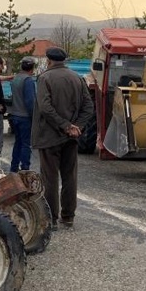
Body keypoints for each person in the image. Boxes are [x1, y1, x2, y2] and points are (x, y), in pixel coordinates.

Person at [31, 47, 94, 229]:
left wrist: (65, 126)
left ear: (49, 60)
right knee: (69, 176)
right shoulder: (77, 78)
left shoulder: (45, 78)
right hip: (71, 137)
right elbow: (88, 107)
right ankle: (68, 217)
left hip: (49, 136)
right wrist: (76, 127)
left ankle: (51, 218)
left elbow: (45, 108)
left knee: (49, 178)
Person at [9, 56, 37, 172]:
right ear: (32, 68)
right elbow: (30, 101)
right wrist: (35, 116)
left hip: (14, 115)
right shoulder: (28, 80)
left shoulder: (16, 79)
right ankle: (25, 169)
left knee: (18, 142)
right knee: (26, 145)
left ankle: (13, 167)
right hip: (25, 117)